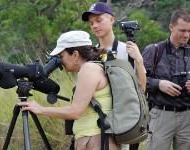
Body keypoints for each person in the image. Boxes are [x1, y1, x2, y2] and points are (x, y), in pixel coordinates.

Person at [18, 30, 122, 150]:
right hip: (98, 139)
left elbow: (75, 112)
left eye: (62, 56)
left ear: (76, 55)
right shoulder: (97, 66)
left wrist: (40, 109)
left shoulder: (88, 69)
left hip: (96, 140)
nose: (61, 61)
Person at [81, 2, 146, 150]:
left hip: (124, 122)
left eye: (99, 20)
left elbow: (141, 88)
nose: (95, 26)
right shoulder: (90, 54)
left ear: (112, 20)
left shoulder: (127, 50)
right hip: (98, 123)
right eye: (91, 23)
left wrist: (139, 61)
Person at [142, 9, 190, 150]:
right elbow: (137, 81)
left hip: (187, 117)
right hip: (161, 115)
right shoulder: (154, 50)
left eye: (189, 31)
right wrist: (159, 84)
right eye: (182, 30)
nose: (186, 35)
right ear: (171, 27)